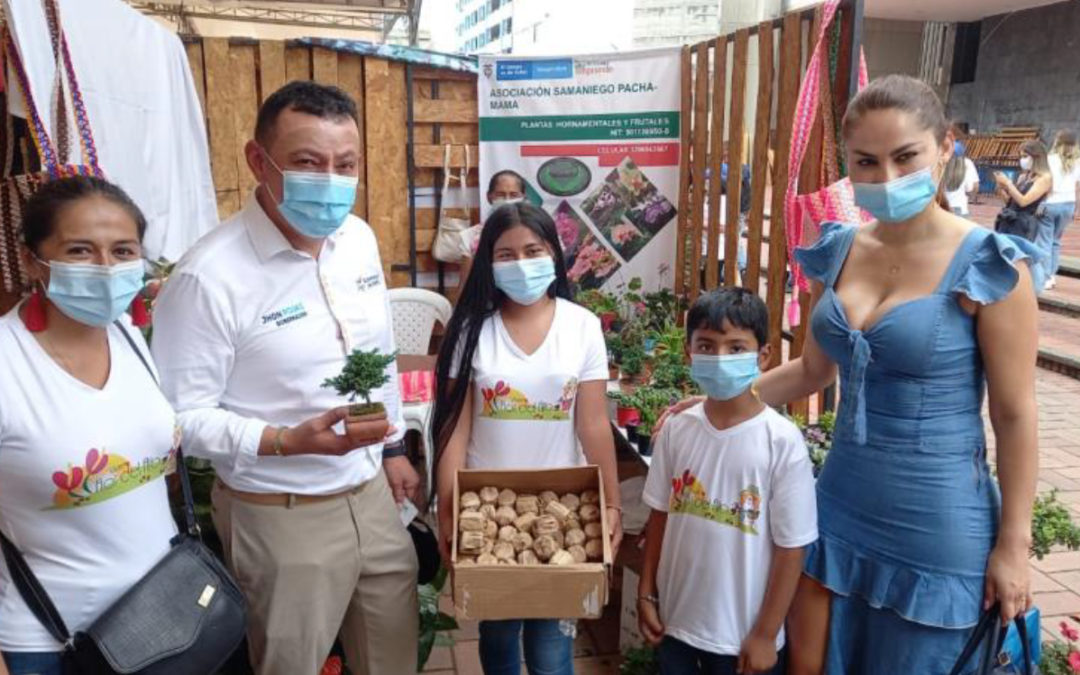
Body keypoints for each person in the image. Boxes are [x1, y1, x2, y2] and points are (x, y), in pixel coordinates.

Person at [657, 75, 1041, 674]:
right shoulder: (839, 248)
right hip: (836, 502)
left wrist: (1014, 545)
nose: (886, 178)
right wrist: (725, 397)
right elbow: (813, 370)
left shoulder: (989, 265)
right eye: (867, 161)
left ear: (944, 149)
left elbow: (1015, 416)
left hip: (936, 523)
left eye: (905, 156)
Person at [150, 81, 420, 675]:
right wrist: (282, 441)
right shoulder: (208, 278)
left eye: (344, 165)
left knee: (393, 656)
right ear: (257, 160)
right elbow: (176, 418)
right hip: (281, 514)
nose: (330, 179)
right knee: (290, 664)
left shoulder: (358, 240)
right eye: (306, 162)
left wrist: (395, 443)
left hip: (370, 496)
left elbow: (376, 353)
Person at [431, 202, 624, 675]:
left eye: (532, 250)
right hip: (490, 510)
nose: (520, 264)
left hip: (563, 507)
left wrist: (611, 505)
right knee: (497, 637)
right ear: (487, 263)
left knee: (551, 648)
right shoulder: (471, 329)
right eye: (505, 254)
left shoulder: (580, 326)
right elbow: (456, 426)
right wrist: (448, 507)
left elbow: (594, 425)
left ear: (554, 255)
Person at [0, 176, 177, 675]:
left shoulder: (127, 336)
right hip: (52, 642)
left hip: (162, 620)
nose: (105, 267)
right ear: (34, 260)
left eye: (123, 251)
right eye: (80, 250)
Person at [637, 288, 817, 675]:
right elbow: (659, 516)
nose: (720, 358)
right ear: (688, 352)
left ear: (763, 355)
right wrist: (646, 591)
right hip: (676, 623)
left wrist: (767, 634)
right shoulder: (677, 430)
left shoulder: (781, 441)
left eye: (736, 348)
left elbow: (791, 549)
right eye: (706, 345)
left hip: (742, 637)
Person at [459, 170, 528, 292]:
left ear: (523, 197)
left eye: (514, 195)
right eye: (501, 195)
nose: (507, 200)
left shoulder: (537, 233)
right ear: (489, 197)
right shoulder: (470, 237)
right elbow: (465, 285)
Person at [994, 140, 1053, 253]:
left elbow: (1024, 201)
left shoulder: (1045, 178)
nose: (1022, 160)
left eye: (1025, 156)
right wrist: (1001, 188)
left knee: (1017, 256)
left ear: (1037, 157)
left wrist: (1008, 183)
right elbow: (1010, 202)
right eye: (1021, 156)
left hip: (1023, 225)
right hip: (1008, 219)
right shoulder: (1023, 176)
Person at [1044, 130, 1080, 289]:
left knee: (1045, 241)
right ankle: (1052, 275)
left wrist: (1041, 203)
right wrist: (1076, 207)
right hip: (1069, 203)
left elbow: (1046, 183)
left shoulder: (1050, 159)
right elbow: (1077, 187)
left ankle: (1045, 276)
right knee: (1056, 242)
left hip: (1051, 202)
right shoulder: (1077, 161)